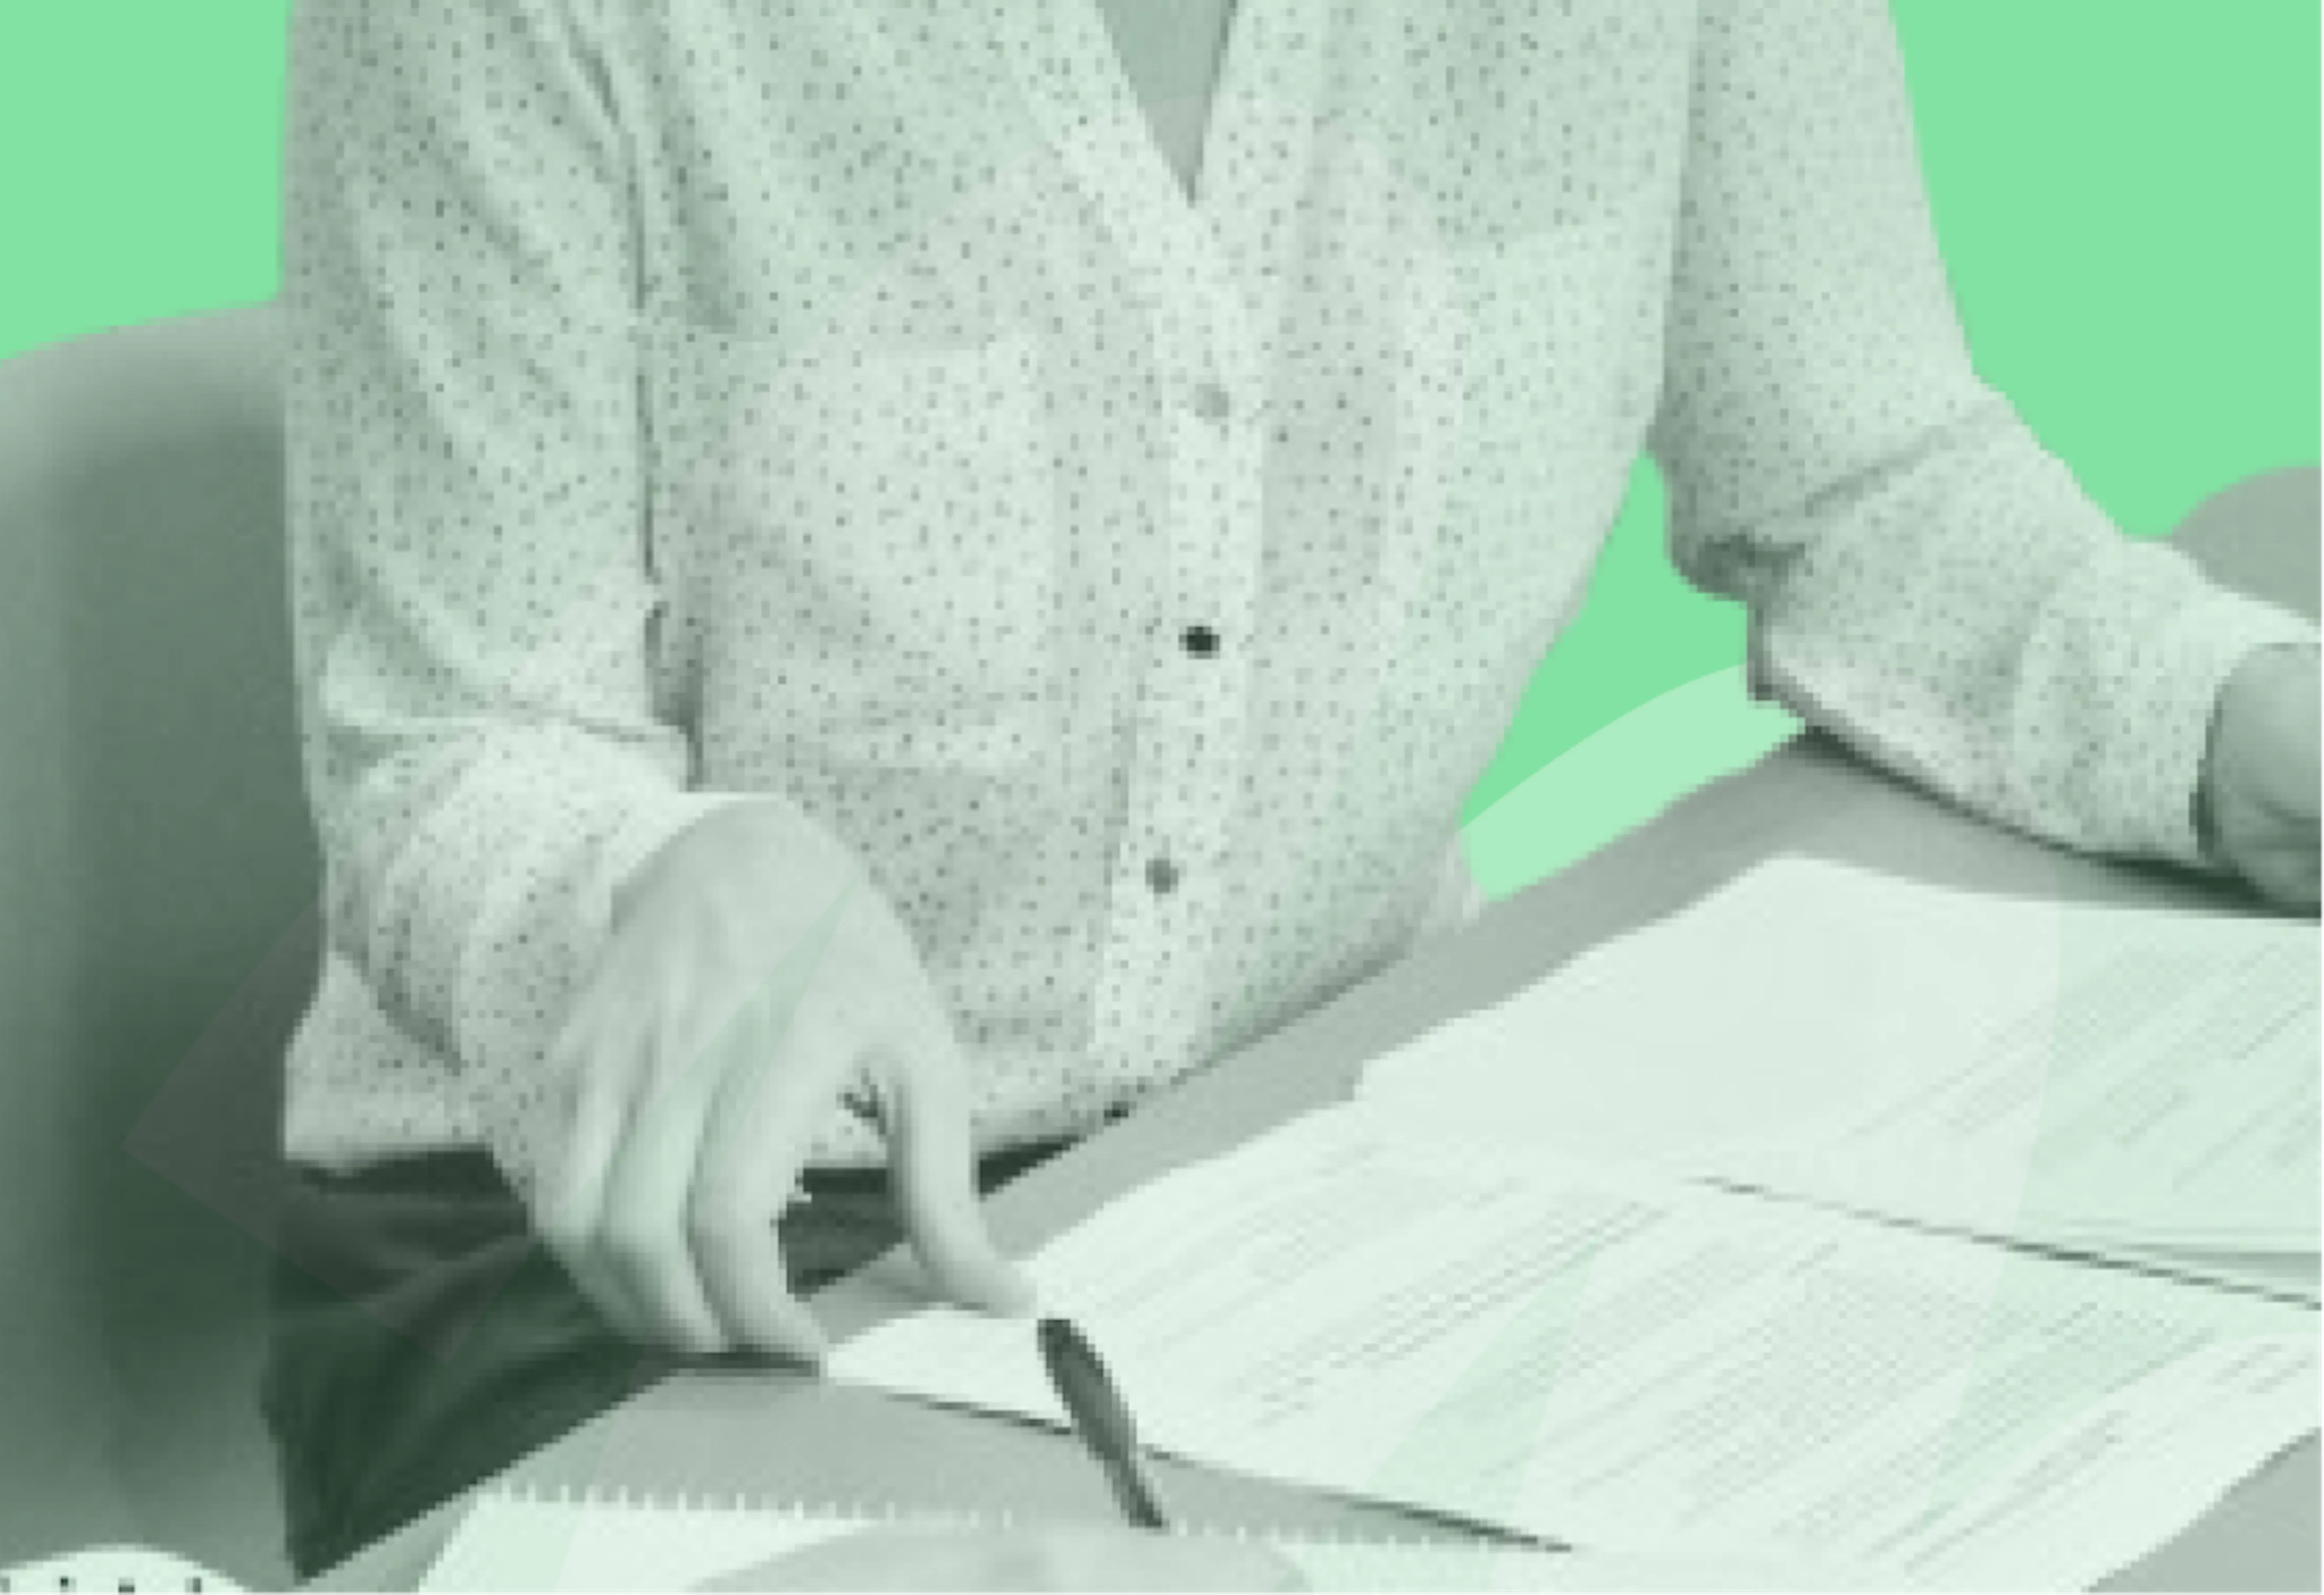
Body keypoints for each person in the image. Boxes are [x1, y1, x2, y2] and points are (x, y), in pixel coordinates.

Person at [261, 0, 2324, 1582]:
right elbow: (454, 741)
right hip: (647, 1255)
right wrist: (659, 872)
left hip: (1329, 1173)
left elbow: (1867, 478)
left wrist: (2235, 718)